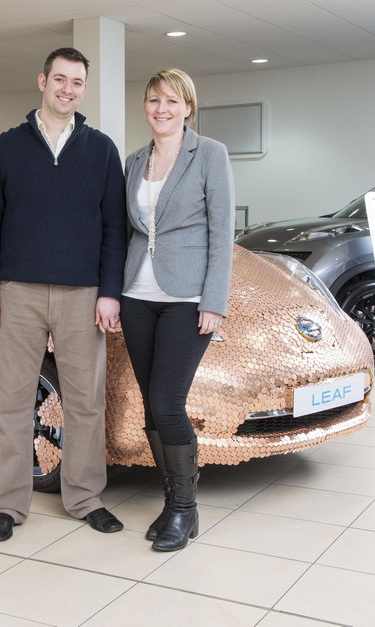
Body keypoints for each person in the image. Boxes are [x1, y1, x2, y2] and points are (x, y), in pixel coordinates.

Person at [0, 47, 127, 542]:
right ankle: (8, 505)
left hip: (83, 294)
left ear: (84, 89)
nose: (67, 90)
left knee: (85, 402)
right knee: (11, 402)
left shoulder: (102, 150)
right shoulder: (5, 147)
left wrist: (110, 292)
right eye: (60, 79)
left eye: (77, 82)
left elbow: (115, 229)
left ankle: (85, 498)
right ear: (42, 81)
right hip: (16, 292)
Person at [120, 68, 234, 552]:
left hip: (186, 299)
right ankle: (172, 504)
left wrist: (214, 300)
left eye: (172, 101)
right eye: (154, 100)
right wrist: (113, 293)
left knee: (168, 403)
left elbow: (221, 232)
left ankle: (186, 509)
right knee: (151, 406)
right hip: (136, 296)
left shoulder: (209, 154)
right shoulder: (134, 161)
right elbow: (125, 230)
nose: (161, 109)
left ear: (188, 107)